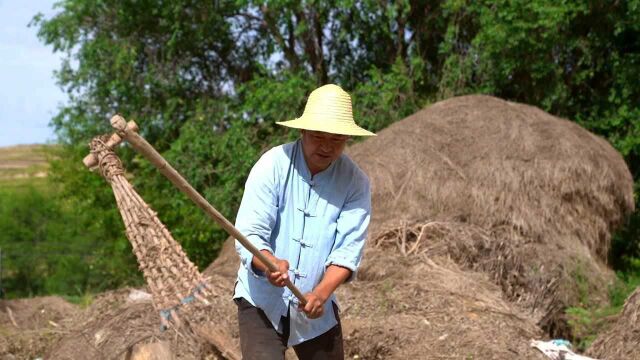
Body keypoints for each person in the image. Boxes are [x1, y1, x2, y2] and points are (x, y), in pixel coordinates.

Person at [233, 84, 376, 359]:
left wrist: (321, 293)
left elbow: (347, 250)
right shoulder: (272, 164)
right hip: (261, 300)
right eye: (318, 136)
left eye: (336, 139)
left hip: (316, 307)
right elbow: (250, 233)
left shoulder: (355, 182)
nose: (326, 146)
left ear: (347, 138)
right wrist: (268, 263)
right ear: (302, 131)